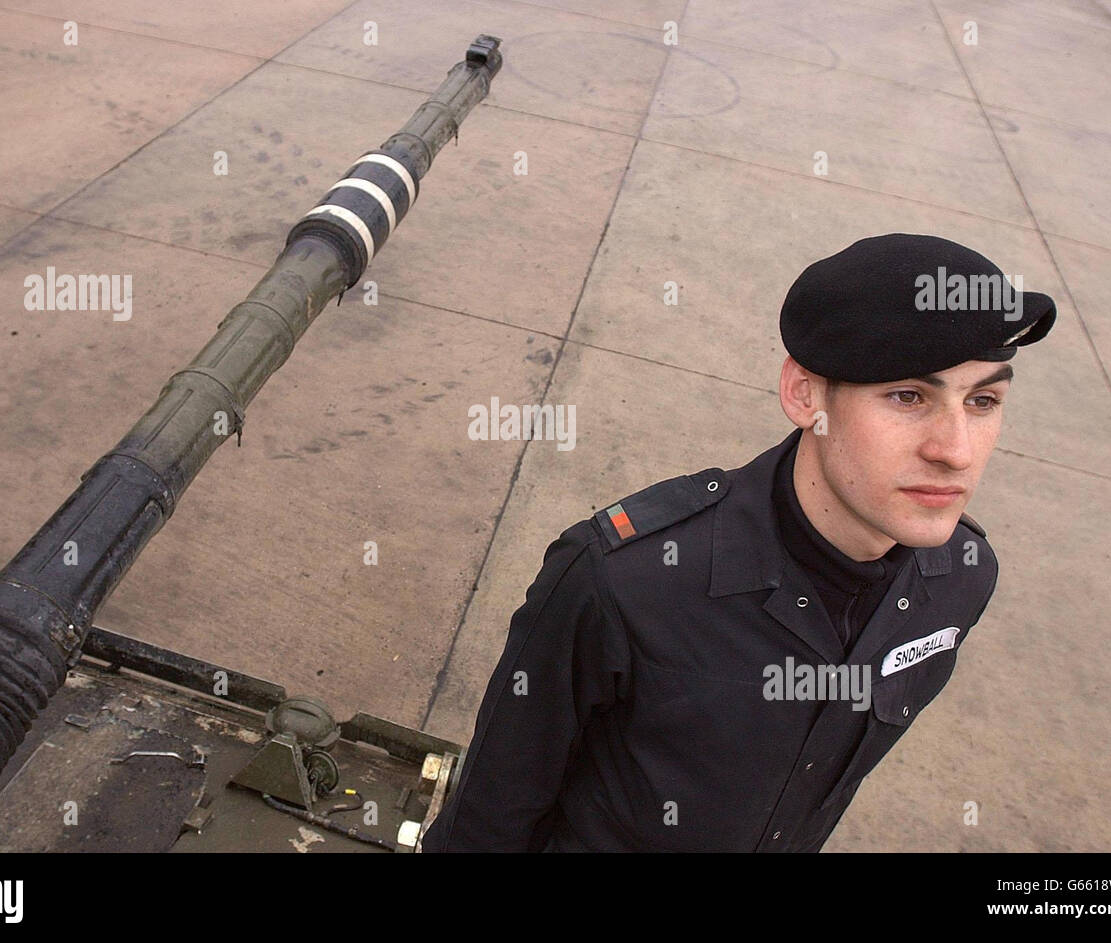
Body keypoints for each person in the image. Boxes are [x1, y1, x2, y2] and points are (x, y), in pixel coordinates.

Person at [421, 233, 1056, 852]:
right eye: (909, 396)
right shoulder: (625, 582)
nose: (956, 451)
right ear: (805, 395)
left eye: (983, 401)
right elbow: (492, 815)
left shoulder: (962, 579)